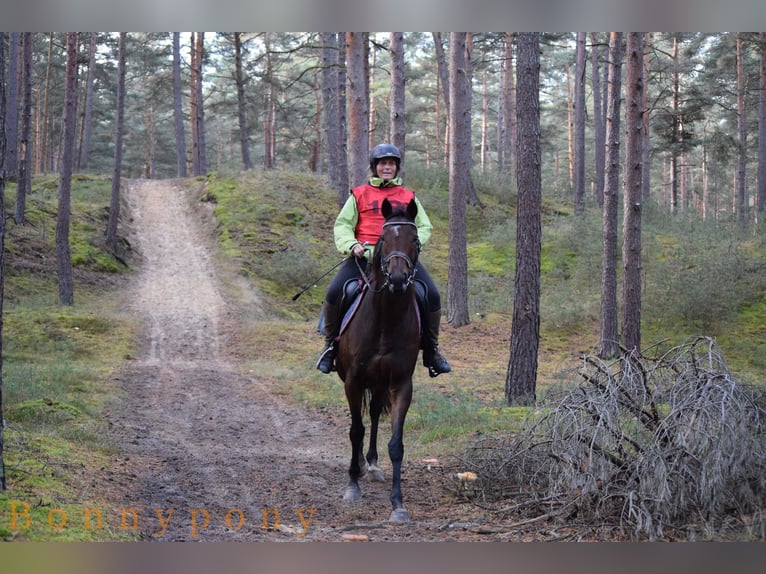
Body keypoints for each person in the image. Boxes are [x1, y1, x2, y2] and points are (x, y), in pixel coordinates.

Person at [316, 143, 451, 378]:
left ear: (397, 167)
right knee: (335, 292)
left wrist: (411, 247)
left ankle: (432, 351)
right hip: (363, 259)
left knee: (432, 294)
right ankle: (330, 347)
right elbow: (343, 225)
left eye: (391, 164)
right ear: (374, 167)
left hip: (400, 260)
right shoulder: (359, 194)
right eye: (382, 163)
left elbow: (424, 226)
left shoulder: (408, 197)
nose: (387, 167)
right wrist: (352, 245)